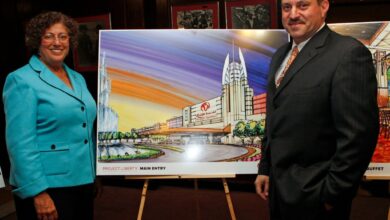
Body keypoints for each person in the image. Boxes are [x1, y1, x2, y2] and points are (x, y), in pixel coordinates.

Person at [254, 0, 379, 219]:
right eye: (286, 7)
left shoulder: (348, 54)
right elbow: (273, 119)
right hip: (278, 191)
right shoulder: (280, 55)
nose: (293, 14)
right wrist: (265, 169)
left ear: (324, 7)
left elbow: (358, 137)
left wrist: (332, 195)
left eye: (302, 6)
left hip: (317, 197)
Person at [3, 11, 97, 220]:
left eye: (63, 36)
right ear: (37, 41)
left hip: (82, 180)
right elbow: (20, 144)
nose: (57, 42)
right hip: (47, 187)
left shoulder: (78, 78)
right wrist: (38, 192)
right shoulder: (21, 80)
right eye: (49, 36)